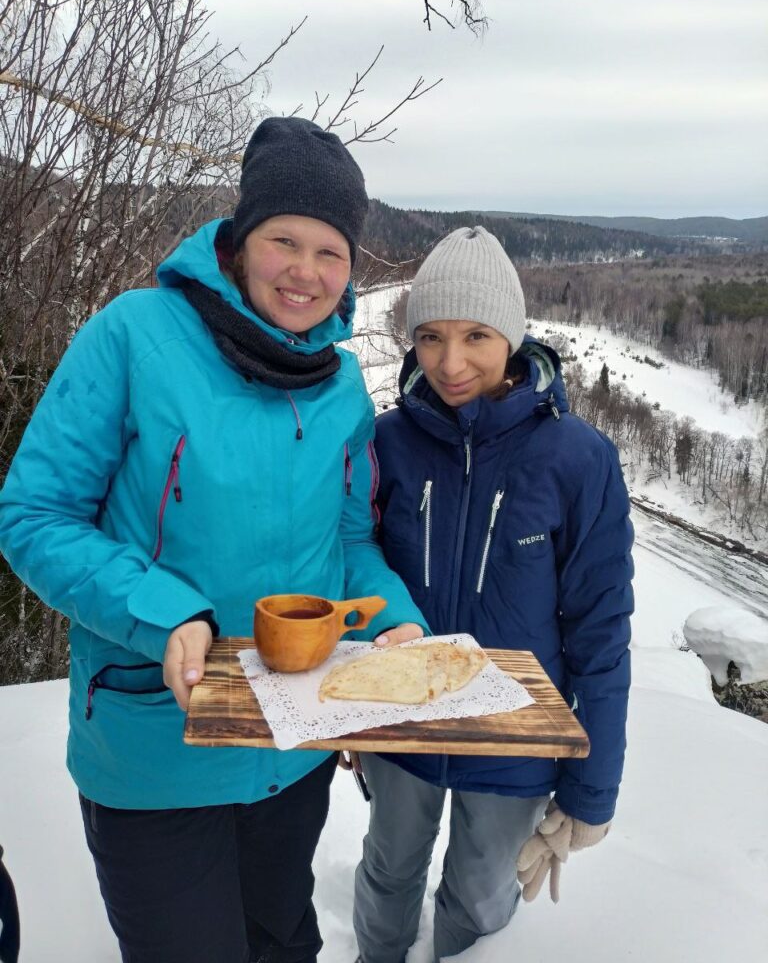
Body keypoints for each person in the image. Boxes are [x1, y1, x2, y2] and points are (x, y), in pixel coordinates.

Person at [0, 116, 426, 963]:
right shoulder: (133, 335)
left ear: (352, 268)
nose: (305, 271)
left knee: (281, 944)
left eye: (330, 251)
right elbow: (33, 517)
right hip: (159, 747)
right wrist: (170, 615)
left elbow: (346, 542)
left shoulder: (340, 387)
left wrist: (392, 623)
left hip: (290, 750)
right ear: (238, 241)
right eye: (284, 240)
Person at [352, 226, 634, 963]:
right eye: (431, 336)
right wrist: (351, 705)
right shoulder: (386, 443)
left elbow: (602, 631)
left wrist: (589, 790)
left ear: (512, 335)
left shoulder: (577, 458)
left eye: (477, 335)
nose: (451, 363)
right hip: (402, 730)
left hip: (516, 743)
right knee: (387, 873)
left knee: (480, 898)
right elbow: (354, 573)